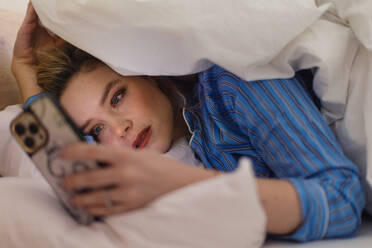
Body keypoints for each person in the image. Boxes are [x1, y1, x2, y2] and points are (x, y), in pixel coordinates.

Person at [12, 3, 365, 242]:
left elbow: (342, 199)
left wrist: (182, 184)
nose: (118, 129)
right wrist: (25, 76)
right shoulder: (193, 135)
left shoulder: (234, 82)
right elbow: (72, 181)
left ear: (146, 75)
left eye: (117, 97)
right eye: (96, 130)